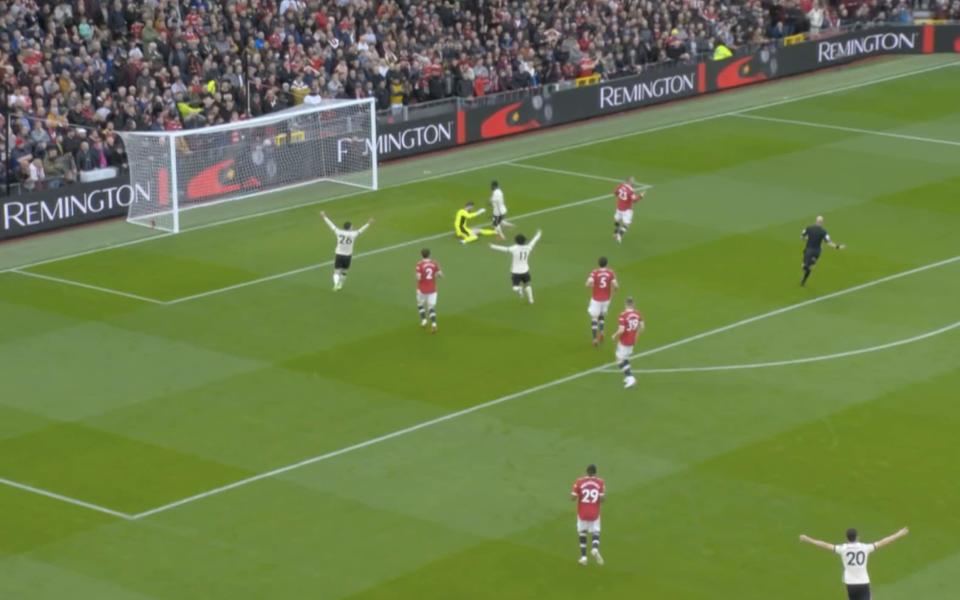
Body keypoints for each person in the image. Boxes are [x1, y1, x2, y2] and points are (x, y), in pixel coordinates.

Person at [799, 527, 909, 600]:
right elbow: (884, 542)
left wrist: (808, 539)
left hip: (850, 584)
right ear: (857, 537)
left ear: (847, 538)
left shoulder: (842, 549)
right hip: (863, 582)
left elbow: (825, 545)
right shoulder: (865, 548)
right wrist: (899, 534)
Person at [320, 211, 373, 291]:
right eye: (352, 226)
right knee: (344, 272)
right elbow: (361, 230)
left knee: (336, 271)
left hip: (339, 254)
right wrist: (368, 223)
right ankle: (340, 284)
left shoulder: (338, 232)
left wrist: (324, 217)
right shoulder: (353, 234)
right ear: (349, 227)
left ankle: (335, 284)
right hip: (347, 256)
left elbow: (331, 225)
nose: (353, 227)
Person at [490, 230, 542, 304]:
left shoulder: (514, 248)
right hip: (525, 270)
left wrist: (493, 246)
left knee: (514, 288)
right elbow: (533, 242)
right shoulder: (528, 247)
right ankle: (531, 300)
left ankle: (521, 290)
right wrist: (538, 235)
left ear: (516, 241)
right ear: (524, 241)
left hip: (516, 272)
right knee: (528, 285)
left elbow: (504, 249)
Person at [571, 464, 605, 566]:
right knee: (596, 532)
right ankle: (594, 548)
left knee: (582, 532)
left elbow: (572, 498)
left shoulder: (579, 481)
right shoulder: (600, 482)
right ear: (595, 472)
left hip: (582, 511)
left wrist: (578, 493)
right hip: (594, 512)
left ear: (587, 471)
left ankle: (584, 557)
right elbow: (602, 499)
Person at [801, 215, 845, 286]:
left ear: (816, 221)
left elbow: (802, 237)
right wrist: (838, 247)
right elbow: (829, 242)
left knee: (804, 266)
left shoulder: (808, 228)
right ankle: (804, 279)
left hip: (808, 250)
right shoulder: (823, 232)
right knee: (809, 267)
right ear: (822, 222)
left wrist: (807, 239)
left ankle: (805, 275)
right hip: (817, 251)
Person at [611, 297, 644, 389]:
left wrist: (614, 335)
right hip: (632, 340)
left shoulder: (623, 315)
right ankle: (628, 377)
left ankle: (630, 377)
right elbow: (642, 326)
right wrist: (635, 334)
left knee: (619, 359)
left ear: (625, 304)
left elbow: (621, 330)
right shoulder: (637, 313)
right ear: (633, 304)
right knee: (625, 358)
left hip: (624, 341)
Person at [586, 257, 619, 346]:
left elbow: (588, 283)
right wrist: (614, 291)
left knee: (594, 318)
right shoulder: (610, 273)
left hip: (596, 299)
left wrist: (593, 286)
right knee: (601, 315)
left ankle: (594, 339)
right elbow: (616, 286)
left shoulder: (595, 273)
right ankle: (601, 331)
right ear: (606, 264)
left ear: (598, 263)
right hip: (606, 299)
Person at [415, 248, 443, 332]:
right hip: (432, 289)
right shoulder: (434, 263)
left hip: (422, 289)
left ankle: (424, 320)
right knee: (431, 307)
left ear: (421, 254)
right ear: (429, 254)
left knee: (420, 304)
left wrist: (419, 278)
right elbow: (440, 275)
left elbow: (418, 277)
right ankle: (434, 324)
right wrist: (436, 275)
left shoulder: (419, 265)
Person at [613, 176, 644, 243]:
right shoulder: (630, 191)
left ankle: (615, 233)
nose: (634, 182)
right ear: (629, 181)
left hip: (619, 207)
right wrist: (641, 196)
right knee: (626, 224)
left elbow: (615, 192)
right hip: (627, 210)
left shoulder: (621, 185)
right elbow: (634, 200)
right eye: (632, 181)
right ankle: (619, 235)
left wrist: (620, 198)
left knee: (617, 220)